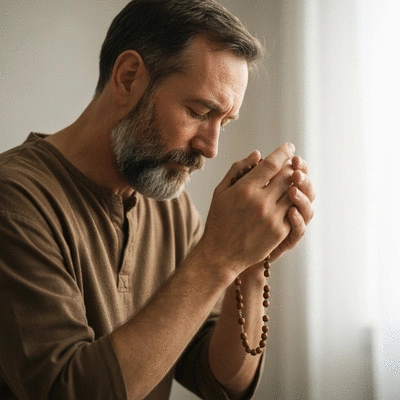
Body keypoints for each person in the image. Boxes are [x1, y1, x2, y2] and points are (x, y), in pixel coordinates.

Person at [0, 0, 315, 399]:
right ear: (128, 78)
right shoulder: (15, 201)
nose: (212, 147)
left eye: (225, 121)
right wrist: (217, 257)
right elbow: (70, 390)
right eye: (200, 111)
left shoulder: (171, 206)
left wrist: (249, 266)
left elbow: (218, 378)